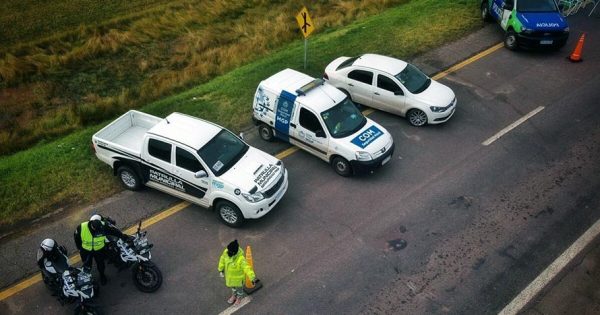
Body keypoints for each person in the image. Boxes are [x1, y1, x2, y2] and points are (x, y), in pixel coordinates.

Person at [74, 214, 128, 285]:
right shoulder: (81, 227)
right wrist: (79, 248)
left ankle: (102, 276)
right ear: (92, 227)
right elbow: (76, 237)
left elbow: (113, 230)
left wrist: (122, 236)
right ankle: (87, 279)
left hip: (99, 250)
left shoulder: (103, 225)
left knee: (101, 264)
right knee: (87, 265)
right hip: (86, 251)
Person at [217, 240, 258, 306]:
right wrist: (220, 269)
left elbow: (247, 268)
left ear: (234, 252)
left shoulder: (241, 259)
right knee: (233, 288)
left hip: (238, 280)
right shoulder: (226, 252)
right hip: (230, 278)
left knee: (239, 290)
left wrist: (252, 278)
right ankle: (234, 296)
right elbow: (222, 259)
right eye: (228, 250)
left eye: (230, 252)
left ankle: (239, 298)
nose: (228, 253)